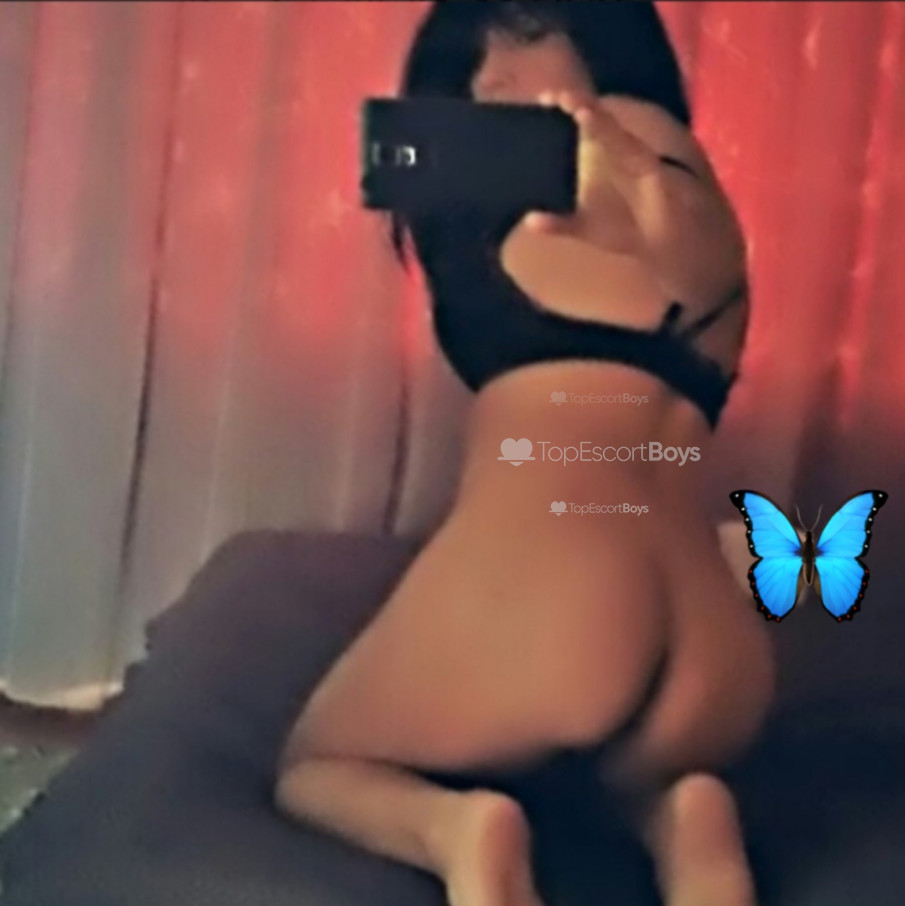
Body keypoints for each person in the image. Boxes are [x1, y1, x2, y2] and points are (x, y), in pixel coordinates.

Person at [273, 3, 776, 906]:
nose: (489, 76)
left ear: (604, 40)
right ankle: (685, 823)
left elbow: (679, 245)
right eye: (473, 60)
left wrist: (648, 209)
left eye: (523, 35)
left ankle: (457, 833)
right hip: (716, 653)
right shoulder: (689, 191)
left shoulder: (632, 167)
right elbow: (701, 269)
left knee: (317, 763)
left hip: (562, 597)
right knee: (608, 784)